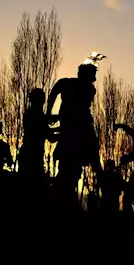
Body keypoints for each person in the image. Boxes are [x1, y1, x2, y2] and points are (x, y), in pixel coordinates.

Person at [47, 54, 104, 197]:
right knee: (72, 168)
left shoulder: (85, 88)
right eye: (93, 75)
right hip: (77, 133)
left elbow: (73, 111)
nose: (95, 79)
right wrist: (50, 112)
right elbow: (58, 92)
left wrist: (52, 114)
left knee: (75, 167)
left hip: (79, 131)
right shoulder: (71, 84)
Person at [19, 88, 53, 178]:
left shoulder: (33, 114)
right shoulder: (33, 115)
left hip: (32, 156)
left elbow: (47, 132)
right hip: (31, 157)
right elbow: (49, 135)